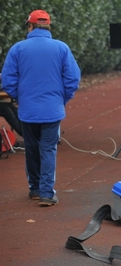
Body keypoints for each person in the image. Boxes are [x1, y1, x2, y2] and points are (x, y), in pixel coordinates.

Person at [1, 10, 81, 206]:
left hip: (28, 110)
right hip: (52, 110)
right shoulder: (61, 48)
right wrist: (62, 98)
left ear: (30, 26)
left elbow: (7, 79)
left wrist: (20, 97)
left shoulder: (18, 48)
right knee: (48, 150)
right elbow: (73, 79)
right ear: (49, 26)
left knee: (31, 149)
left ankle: (35, 189)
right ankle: (46, 193)